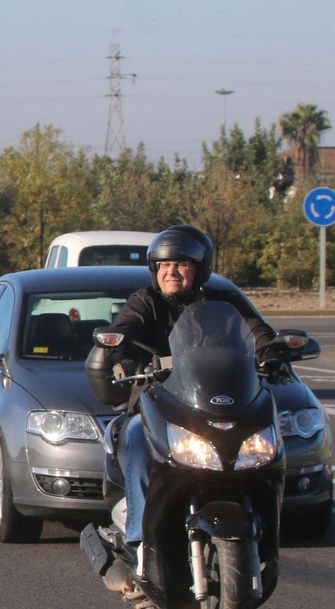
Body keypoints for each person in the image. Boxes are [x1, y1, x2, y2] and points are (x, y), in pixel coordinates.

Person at [103, 225, 289, 550]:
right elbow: (124, 330)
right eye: (163, 265)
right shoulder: (145, 302)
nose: (170, 272)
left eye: (181, 264)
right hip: (160, 402)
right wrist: (124, 358)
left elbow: (258, 332)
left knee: (261, 441)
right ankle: (138, 537)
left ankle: (266, 528)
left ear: (199, 269)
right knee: (134, 435)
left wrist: (272, 355)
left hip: (213, 403)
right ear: (154, 269)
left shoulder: (223, 303)